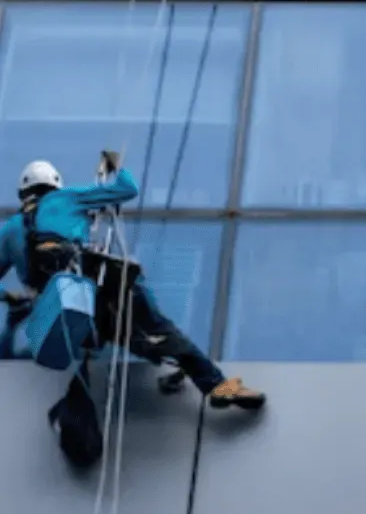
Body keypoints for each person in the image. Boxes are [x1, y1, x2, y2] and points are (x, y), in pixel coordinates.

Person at [0, 155, 265, 411]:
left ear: (23, 193)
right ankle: (216, 385)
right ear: (55, 184)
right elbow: (128, 189)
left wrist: (9, 297)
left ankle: (173, 367)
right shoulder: (67, 198)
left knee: (128, 335)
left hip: (67, 309)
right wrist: (116, 165)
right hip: (91, 287)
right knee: (156, 326)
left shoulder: (9, 229)